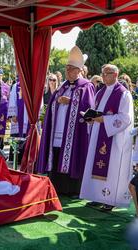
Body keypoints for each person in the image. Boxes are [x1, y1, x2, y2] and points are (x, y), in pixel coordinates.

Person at [36, 46, 95, 196]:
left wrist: (71, 102)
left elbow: (89, 108)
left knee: (72, 156)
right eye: (66, 69)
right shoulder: (62, 86)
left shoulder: (86, 86)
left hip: (74, 133)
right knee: (56, 154)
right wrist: (58, 101)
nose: (67, 72)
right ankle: (57, 186)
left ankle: (72, 189)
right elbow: (52, 104)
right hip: (58, 129)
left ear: (78, 70)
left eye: (70, 69)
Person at [80, 64, 134, 211]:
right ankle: (97, 197)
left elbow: (125, 118)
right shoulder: (100, 92)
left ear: (115, 75)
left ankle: (110, 199)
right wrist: (91, 118)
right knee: (95, 165)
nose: (103, 76)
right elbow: (97, 112)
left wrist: (104, 120)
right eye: (102, 73)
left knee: (112, 169)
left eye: (107, 73)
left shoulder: (123, 94)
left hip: (114, 139)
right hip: (98, 134)